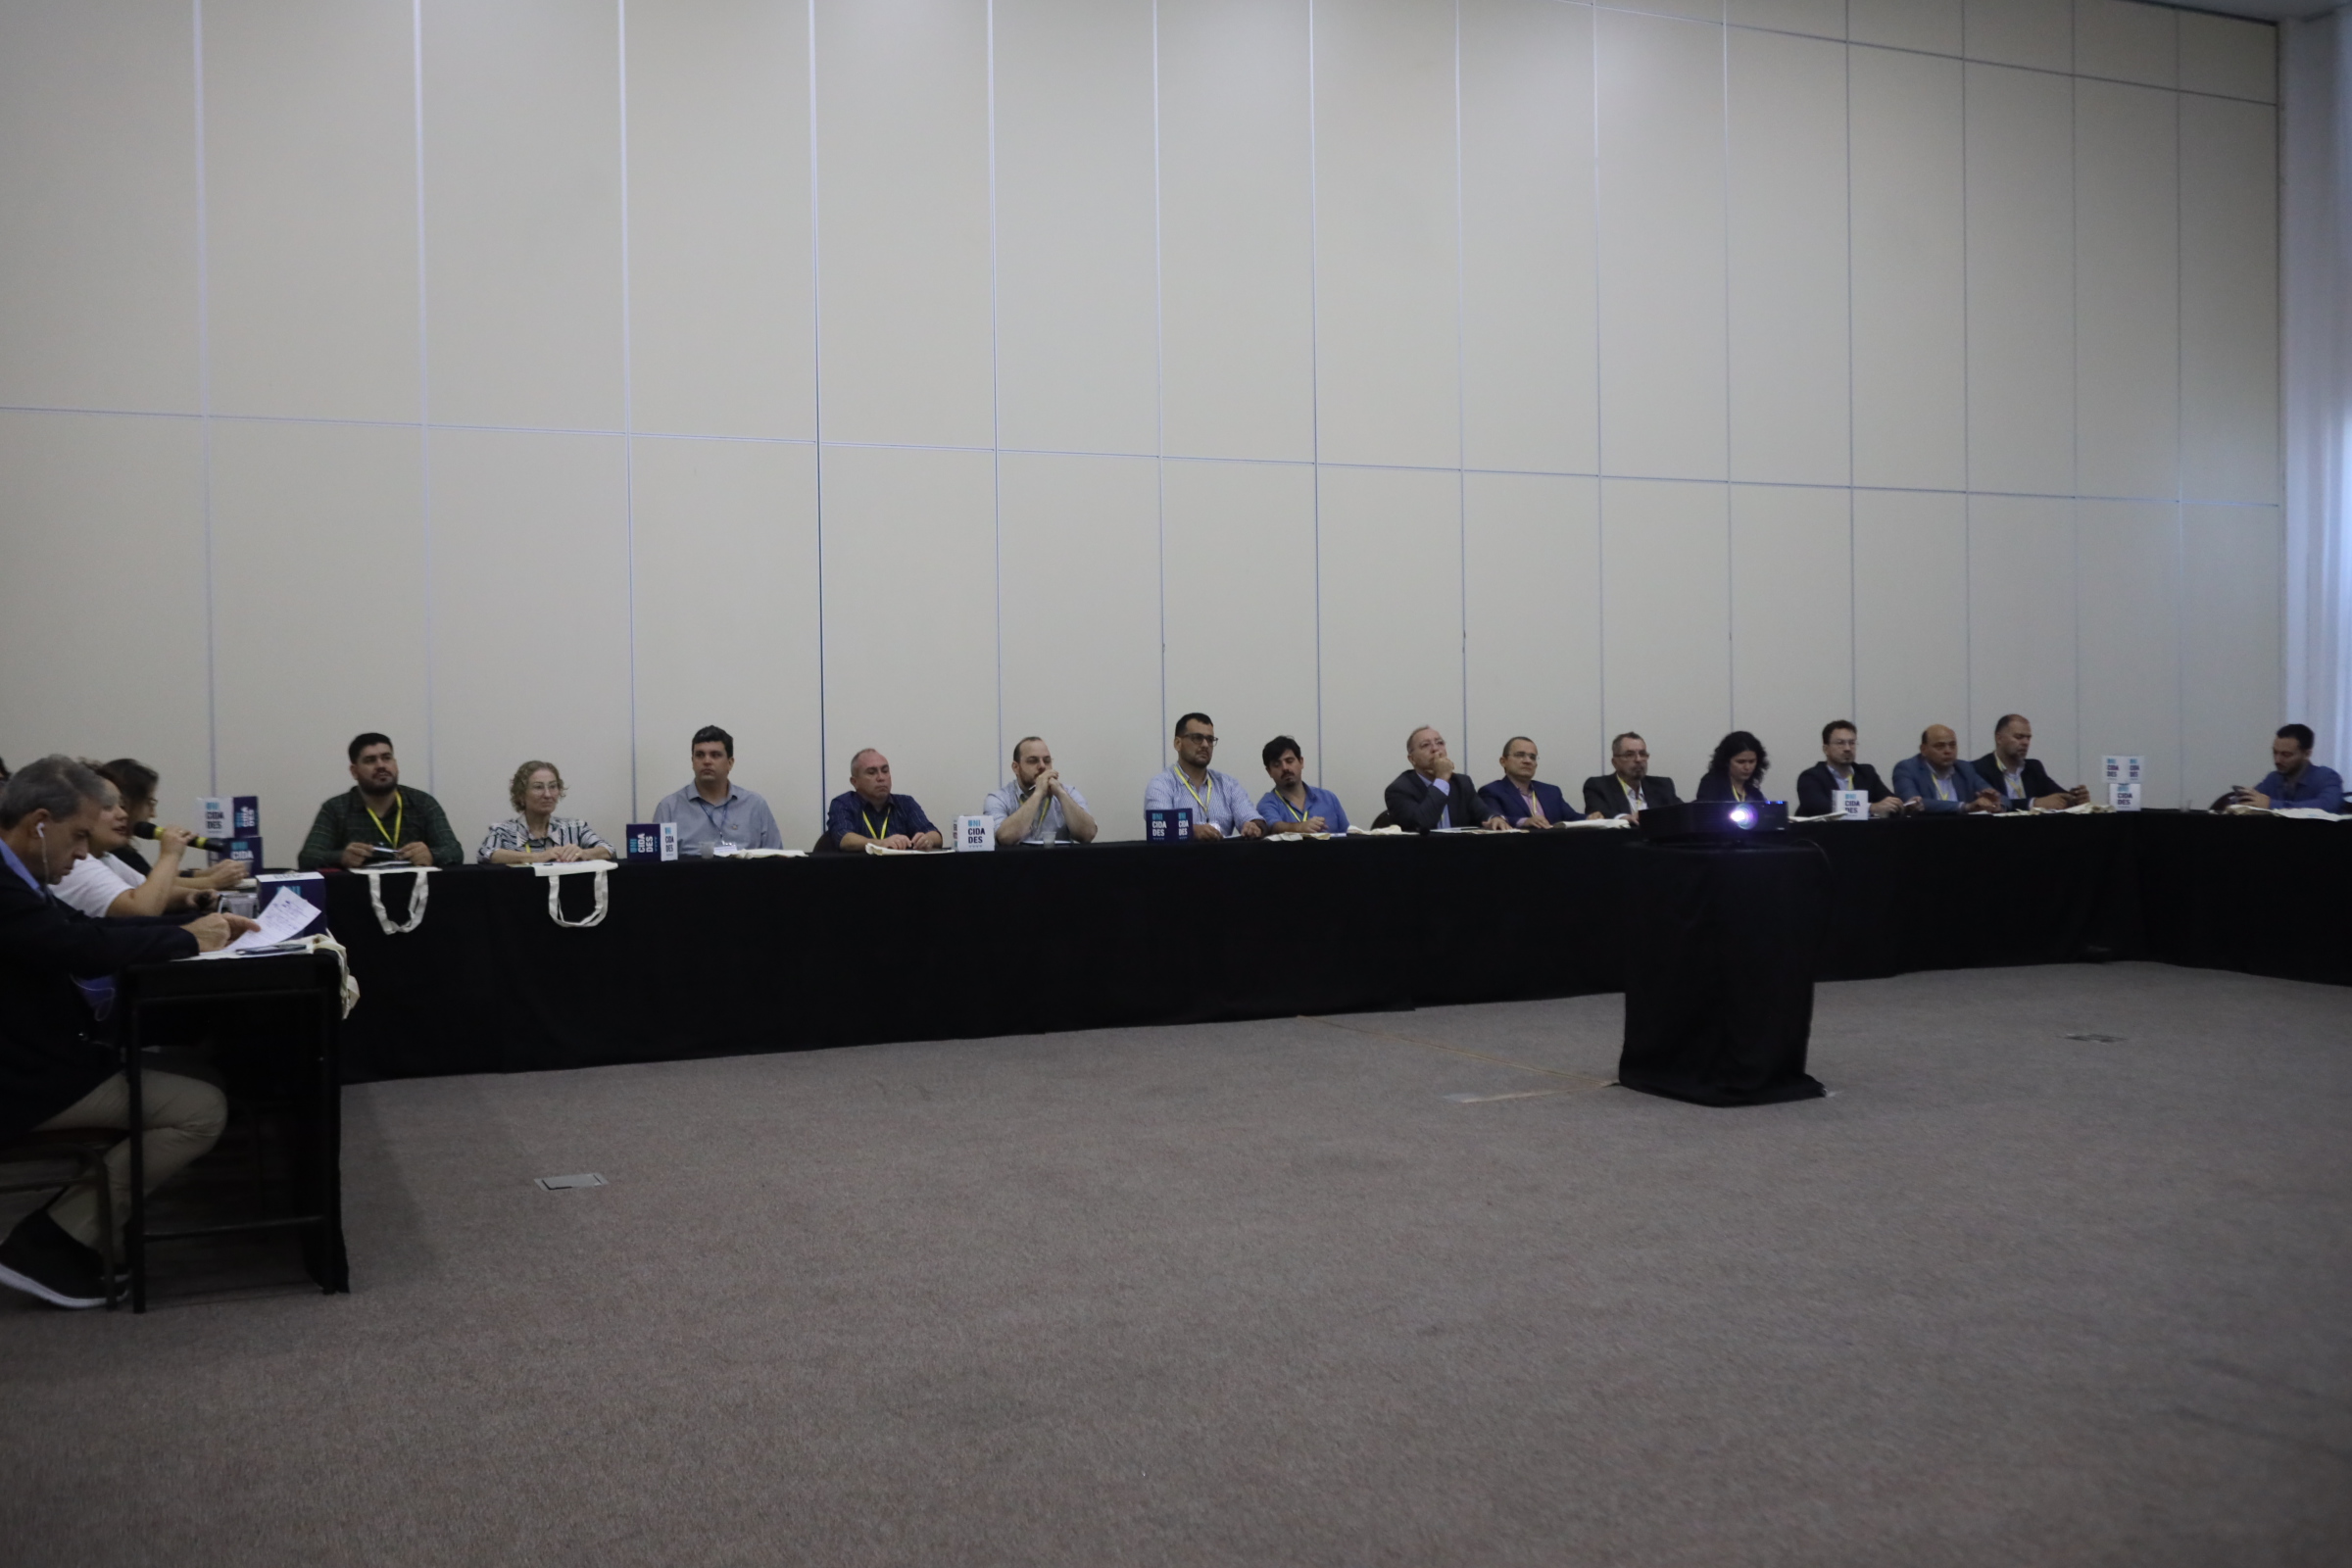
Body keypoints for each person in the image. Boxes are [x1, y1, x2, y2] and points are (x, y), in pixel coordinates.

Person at [0, 756, 255, 1310]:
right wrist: (188, 938)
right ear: (40, 823)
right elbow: (80, 946)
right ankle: (53, 1239)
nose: (84, 853)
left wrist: (192, 928)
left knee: (197, 1080)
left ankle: (76, 1231)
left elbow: (83, 929)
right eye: (79, 836)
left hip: (38, 1056)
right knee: (201, 1109)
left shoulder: (19, 875)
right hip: (23, 1079)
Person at [53, 772, 214, 920]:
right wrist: (170, 855)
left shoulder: (105, 857)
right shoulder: (76, 864)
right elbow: (142, 910)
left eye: (121, 806)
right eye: (108, 807)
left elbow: (148, 890)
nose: (123, 814)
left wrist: (192, 896)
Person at [296, 732, 464, 870]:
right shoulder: (335, 809)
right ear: (354, 771)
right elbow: (307, 857)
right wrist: (341, 857)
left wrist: (432, 855)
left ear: (395, 764)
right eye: (370, 760)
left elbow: (455, 851)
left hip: (415, 893)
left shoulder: (423, 803)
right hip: (358, 894)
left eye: (386, 758)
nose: (381, 765)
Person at [91, 758, 246, 895]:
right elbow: (150, 889)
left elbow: (148, 876)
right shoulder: (111, 850)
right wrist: (212, 881)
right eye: (149, 803)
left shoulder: (116, 853)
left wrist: (206, 874)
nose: (153, 814)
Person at [652, 726, 783, 857]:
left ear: (730, 763)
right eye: (700, 755)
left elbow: (776, 859)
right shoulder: (669, 808)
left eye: (715, 755)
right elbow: (657, 864)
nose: (706, 761)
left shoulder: (755, 805)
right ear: (692, 762)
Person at [1145, 713, 1263, 840]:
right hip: (1181, 853)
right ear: (1178, 743)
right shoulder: (1161, 784)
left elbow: (1255, 820)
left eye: (1210, 739)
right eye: (1197, 738)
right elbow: (1158, 825)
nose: (1206, 745)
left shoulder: (1228, 785)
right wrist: (1192, 830)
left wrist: (1253, 826)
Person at [477, 761, 614, 863]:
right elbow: (485, 853)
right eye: (538, 787)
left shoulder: (575, 828)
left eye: (553, 786)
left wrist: (583, 853)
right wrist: (538, 857)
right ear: (521, 795)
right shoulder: (504, 831)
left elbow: (609, 850)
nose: (548, 794)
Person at [1385, 726, 1508, 832]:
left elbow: (1482, 811)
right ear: (1412, 759)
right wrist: (1442, 779)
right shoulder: (1399, 789)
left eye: (1440, 743)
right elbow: (1421, 824)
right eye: (1425, 745)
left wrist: (1494, 818)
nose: (1435, 749)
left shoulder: (1461, 782)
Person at [984, 737, 1098, 846]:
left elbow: (1088, 835)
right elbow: (1003, 838)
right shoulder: (998, 799)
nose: (1042, 766)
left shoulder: (1069, 793)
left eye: (1047, 761)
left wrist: (1061, 793)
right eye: (1033, 761)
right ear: (1016, 767)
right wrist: (1038, 794)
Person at [829, 750, 943, 851]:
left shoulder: (905, 803)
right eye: (872, 772)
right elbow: (844, 838)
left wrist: (928, 840)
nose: (881, 778)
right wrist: (880, 844)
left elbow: (934, 835)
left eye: (885, 771)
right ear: (855, 782)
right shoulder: (843, 803)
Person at [1972, 714, 2088, 811]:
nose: (2025, 742)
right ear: (1999, 738)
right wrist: (2033, 803)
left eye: (2028, 738)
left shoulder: (2034, 767)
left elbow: (2056, 795)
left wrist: (2075, 798)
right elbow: (1994, 804)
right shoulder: (1979, 768)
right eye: (2019, 737)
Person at [1794, 721, 1910, 816]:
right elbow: (1820, 808)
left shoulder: (1866, 773)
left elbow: (1887, 799)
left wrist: (1905, 806)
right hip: (1824, 834)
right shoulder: (1811, 777)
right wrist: (1870, 808)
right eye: (1840, 743)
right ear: (1826, 749)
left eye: (1852, 743)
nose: (1848, 748)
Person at [2230, 723, 2345, 812]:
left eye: (2286, 755)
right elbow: (2255, 801)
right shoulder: (2273, 778)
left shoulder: (2327, 777)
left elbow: (2328, 806)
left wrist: (2271, 805)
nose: (2277, 760)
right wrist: (2242, 801)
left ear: (2307, 754)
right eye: (2275, 753)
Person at [1890, 725, 2003, 813]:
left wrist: (1996, 804)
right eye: (1940, 746)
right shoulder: (1907, 769)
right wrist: (1965, 807)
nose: (1948, 751)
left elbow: (2001, 797)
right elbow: (1913, 803)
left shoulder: (1964, 768)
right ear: (1923, 749)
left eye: (1952, 745)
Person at [1257, 736, 1351, 835]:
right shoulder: (1267, 803)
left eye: (1289, 761)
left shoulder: (1328, 798)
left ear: (1301, 762)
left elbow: (1348, 835)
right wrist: (1300, 827)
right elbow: (1275, 827)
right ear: (1269, 771)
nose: (1285, 768)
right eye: (1277, 765)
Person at [1477, 736, 1575, 828]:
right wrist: (1524, 821)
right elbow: (1496, 819)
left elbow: (1574, 818)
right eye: (1520, 755)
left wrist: (1585, 819)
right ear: (1503, 761)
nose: (1528, 761)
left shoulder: (1551, 791)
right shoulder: (1492, 791)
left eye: (1532, 757)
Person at [1582, 733, 1681, 821]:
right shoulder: (1598, 786)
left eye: (1642, 754)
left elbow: (1682, 811)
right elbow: (1598, 814)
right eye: (1629, 755)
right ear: (1615, 762)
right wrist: (1624, 818)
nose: (1638, 759)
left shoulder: (1662, 786)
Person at [1694, 731, 1772, 805]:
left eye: (1752, 761)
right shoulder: (1711, 784)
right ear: (1726, 761)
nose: (1747, 767)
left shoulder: (1755, 793)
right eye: (1741, 762)